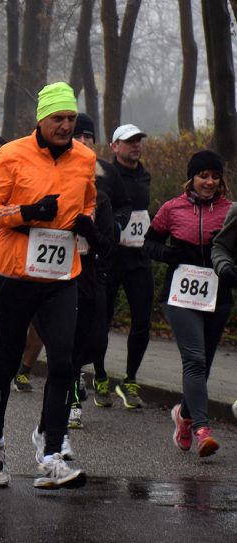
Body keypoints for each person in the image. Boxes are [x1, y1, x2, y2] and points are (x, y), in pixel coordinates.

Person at [0, 82, 95, 490]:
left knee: (64, 362)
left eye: (71, 119)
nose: (65, 126)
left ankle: (50, 448)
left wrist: (87, 222)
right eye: (57, 118)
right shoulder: (10, 155)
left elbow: (89, 200)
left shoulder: (85, 158)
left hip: (62, 276)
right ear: (40, 120)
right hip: (16, 274)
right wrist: (24, 212)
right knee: (7, 364)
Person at [147, 151, 232, 457]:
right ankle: (202, 430)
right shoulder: (172, 208)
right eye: (203, 176)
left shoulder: (230, 211)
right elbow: (149, 242)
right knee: (194, 360)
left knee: (205, 363)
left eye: (214, 176)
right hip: (180, 296)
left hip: (218, 295)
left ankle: (183, 416)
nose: (209, 182)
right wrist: (168, 254)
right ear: (191, 178)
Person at [70, 113, 132, 410]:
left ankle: (82, 374)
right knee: (65, 337)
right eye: (77, 136)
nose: (83, 141)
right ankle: (70, 399)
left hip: (95, 267)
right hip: (58, 270)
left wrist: (113, 225)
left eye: (88, 137)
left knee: (95, 336)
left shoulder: (106, 176)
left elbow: (123, 205)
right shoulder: (53, 173)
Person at [104, 123, 152, 409]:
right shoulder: (107, 175)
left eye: (138, 140)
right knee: (102, 320)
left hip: (139, 258)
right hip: (111, 258)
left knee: (142, 321)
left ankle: (130, 380)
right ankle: (99, 377)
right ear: (115, 146)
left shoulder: (144, 174)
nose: (135, 145)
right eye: (129, 141)